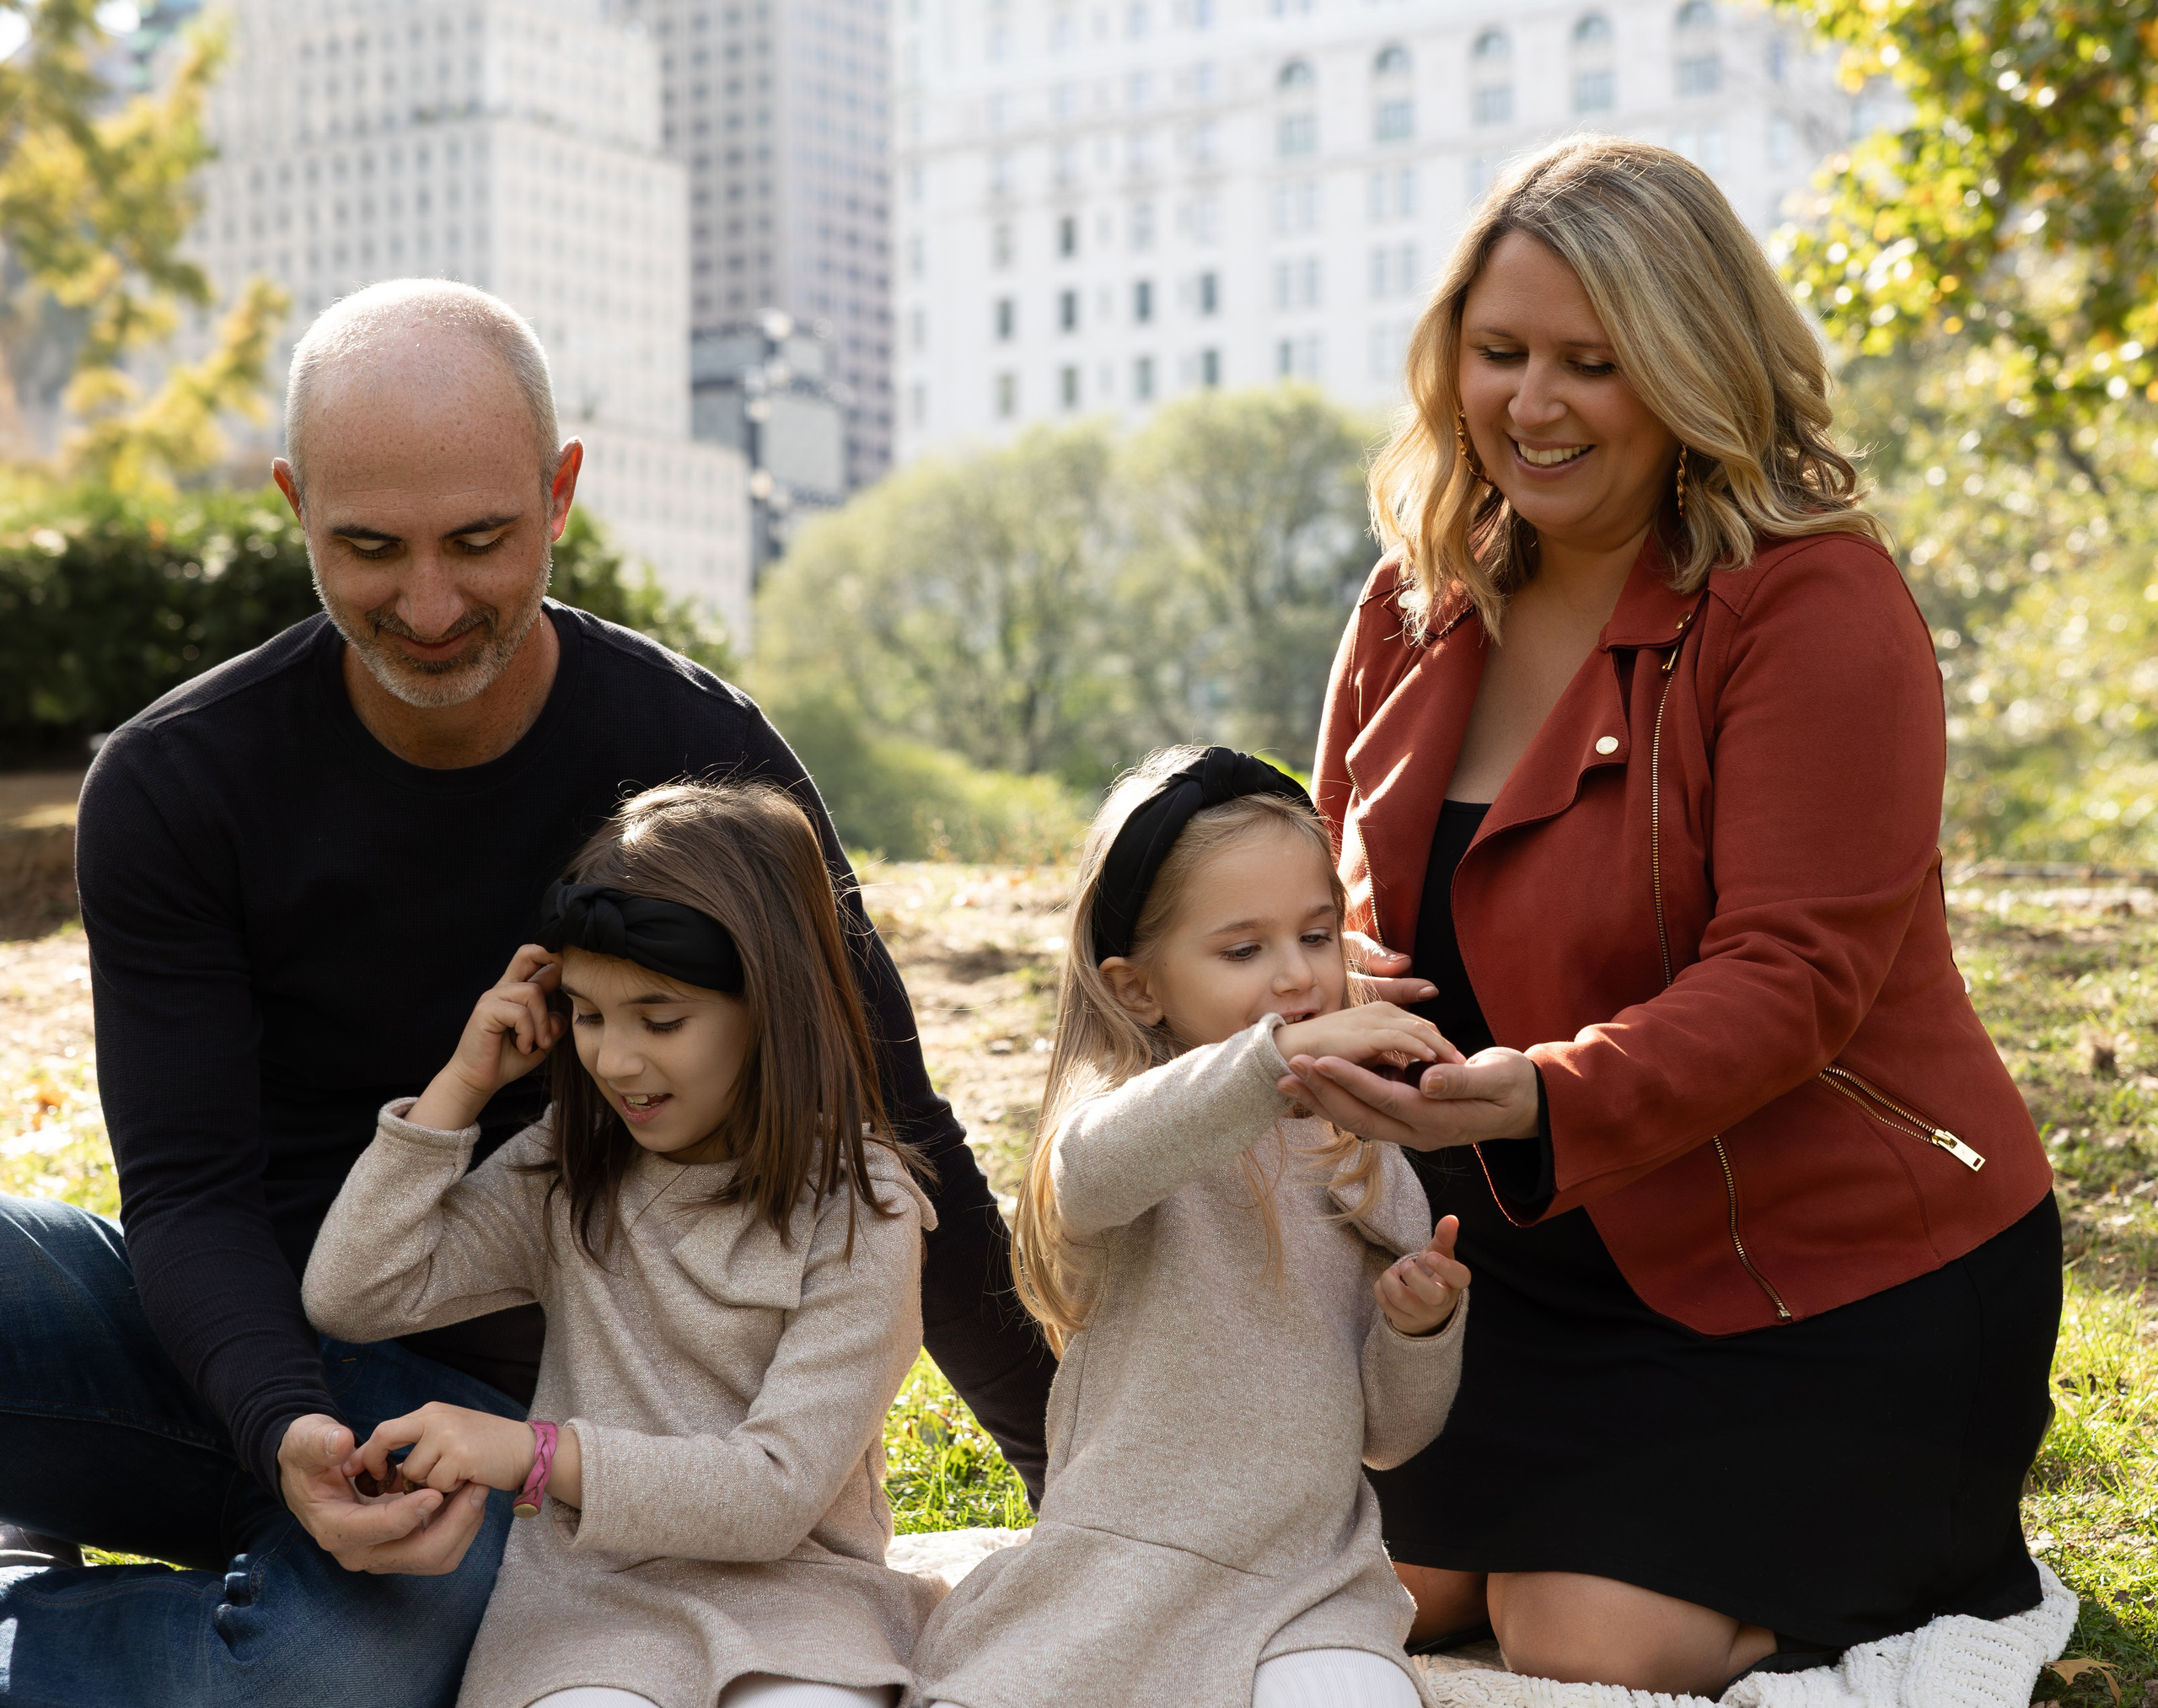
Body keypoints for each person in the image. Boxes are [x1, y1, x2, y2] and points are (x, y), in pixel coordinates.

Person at [0, 279, 1051, 1708]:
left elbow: (892, 1116)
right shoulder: (173, 784)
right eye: (369, 547)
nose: (429, 606)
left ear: (560, 494)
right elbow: (188, 1192)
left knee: (337, 1670)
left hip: (493, 1425)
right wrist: (283, 1421)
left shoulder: (700, 758)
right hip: (231, 1335)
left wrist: (1073, 1481)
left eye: (481, 540)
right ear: (294, 505)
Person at [1286, 137, 2059, 1698]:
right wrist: (1326, 987)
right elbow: (1316, 890)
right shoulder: (1409, 599)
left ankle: (1924, 1556)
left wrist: (1543, 1093)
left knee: (1582, 1635)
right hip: (1496, 1269)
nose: (1533, 404)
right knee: (1378, 1588)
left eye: (1594, 363)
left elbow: (1794, 976)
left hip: (1818, 1276)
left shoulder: (1814, 605)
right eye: (1500, 352)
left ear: (1694, 368)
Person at [304, 783, 940, 1708]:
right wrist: (463, 1084)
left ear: (773, 1005)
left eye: (661, 1018)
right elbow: (356, 1291)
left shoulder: (862, 1211)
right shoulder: (570, 1167)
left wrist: (530, 1452)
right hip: (586, 1607)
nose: (613, 1059)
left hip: (804, 1603)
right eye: (589, 1014)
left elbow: (775, 1494)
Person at [913, 745, 1472, 1708]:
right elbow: (1088, 1172)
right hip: (1121, 1566)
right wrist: (1274, 1058)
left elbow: (1387, 1437)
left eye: (1317, 935)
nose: (1296, 976)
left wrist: (1417, 1332)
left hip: (1309, 1581)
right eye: (1243, 950)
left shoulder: (1361, 1158)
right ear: (1138, 988)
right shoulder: (1130, 1123)